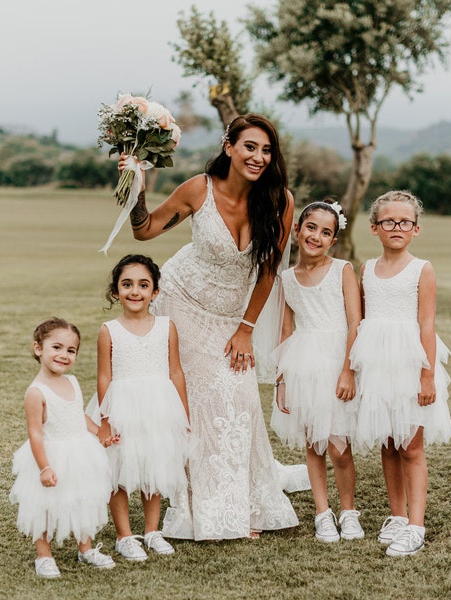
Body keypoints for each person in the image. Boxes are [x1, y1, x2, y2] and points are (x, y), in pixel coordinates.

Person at [118, 113, 299, 540]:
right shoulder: (200, 189)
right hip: (181, 303)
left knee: (239, 403)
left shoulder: (280, 200)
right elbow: (144, 231)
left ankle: (246, 503)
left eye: (266, 150)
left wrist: (246, 328)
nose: (258, 157)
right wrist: (136, 190)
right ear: (229, 147)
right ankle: (203, 507)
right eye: (249, 147)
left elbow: (269, 272)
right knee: (196, 406)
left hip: (230, 318)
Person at [350, 190, 451, 556]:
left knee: (410, 446)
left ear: (416, 229)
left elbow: (426, 324)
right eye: (389, 221)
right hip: (377, 365)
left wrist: (426, 376)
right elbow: (361, 321)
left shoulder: (421, 269)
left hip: (411, 364)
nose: (397, 227)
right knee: (388, 442)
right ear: (375, 227)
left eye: (404, 222)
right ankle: (396, 516)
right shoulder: (367, 270)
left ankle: (416, 525)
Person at [270, 200, 364, 543]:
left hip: (338, 361)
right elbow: (285, 331)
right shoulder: (287, 279)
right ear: (297, 230)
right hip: (303, 365)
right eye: (311, 228)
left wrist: (348, 371)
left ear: (333, 240)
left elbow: (355, 323)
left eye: (326, 232)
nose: (316, 236)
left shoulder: (342, 269)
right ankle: (322, 513)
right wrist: (281, 380)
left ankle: (348, 511)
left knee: (340, 445)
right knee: (313, 443)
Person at [95, 254, 191, 559]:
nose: (135, 291)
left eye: (143, 285)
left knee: (154, 466)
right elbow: (104, 376)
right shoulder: (109, 330)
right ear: (116, 291)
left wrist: (183, 415)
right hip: (121, 407)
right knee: (118, 470)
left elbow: (175, 371)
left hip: (159, 407)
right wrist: (105, 420)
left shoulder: (166, 326)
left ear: (155, 292)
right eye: (127, 284)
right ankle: (125, 536)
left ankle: (152, 531)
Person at [10, 318, 115, 579]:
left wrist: (99, 433)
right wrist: (44, 466)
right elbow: (35, 432)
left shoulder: (73, 382)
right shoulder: (36, 392)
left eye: (71, 350)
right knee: (44, 505)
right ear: (38, 348)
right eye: (56, 347)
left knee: (83, 498)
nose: (64, 355)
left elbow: (77, 415)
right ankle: (44, 556)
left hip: (80, 452)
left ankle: (86, 549)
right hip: (52, 454)